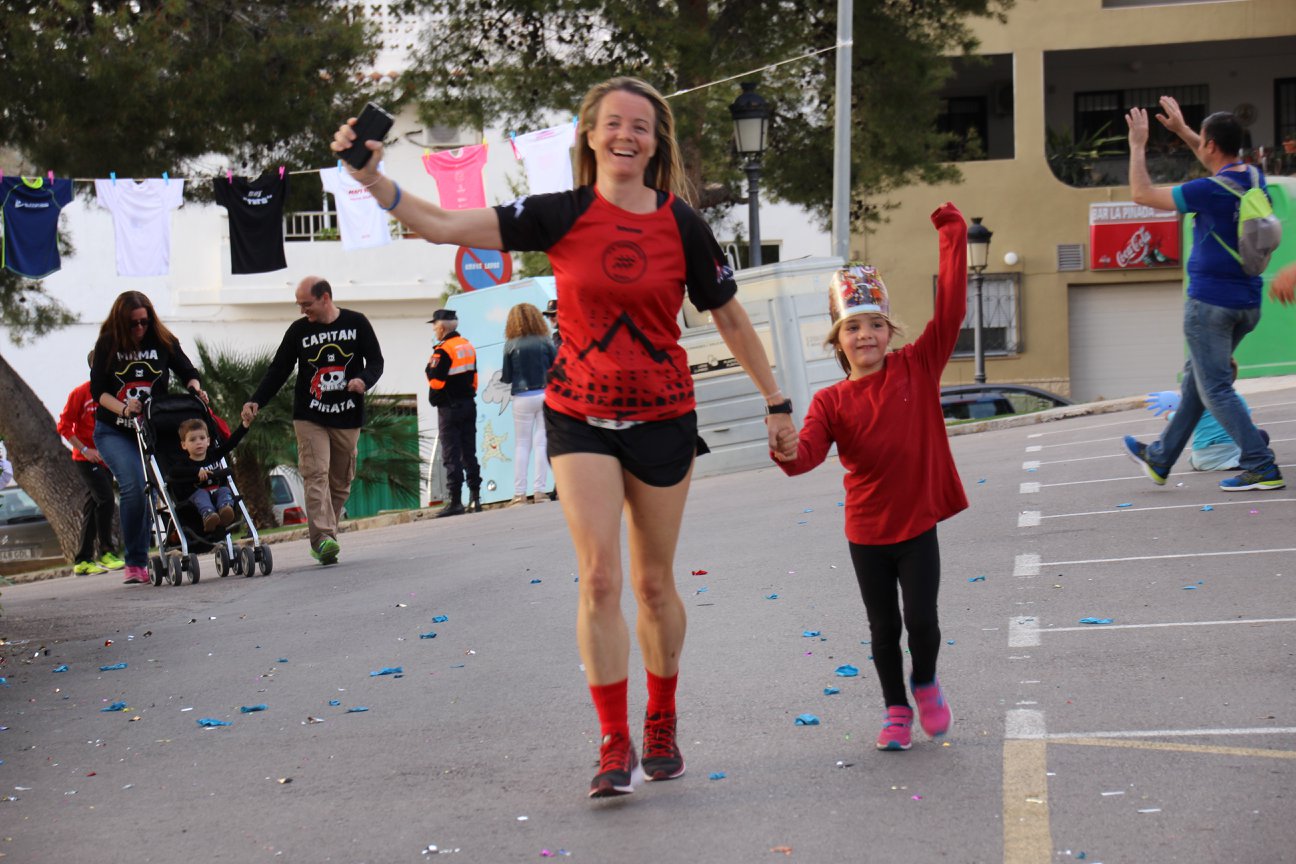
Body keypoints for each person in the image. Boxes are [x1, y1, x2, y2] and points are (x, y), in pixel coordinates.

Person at [333, 75, 797, 798]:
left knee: (652, 584)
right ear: (589, 134)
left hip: (663, 416)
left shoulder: (682, 224)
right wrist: (371, 179)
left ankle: (661, 719)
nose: (626, 135)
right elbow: (444, 225)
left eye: (640, 126)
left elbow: (730, 317)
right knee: (600, 578)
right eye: (613, 123)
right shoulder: (557, 214)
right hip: (580, 415)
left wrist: (777, 401)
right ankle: (614, 741)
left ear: (655, 143)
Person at [774, 205, 968, 751]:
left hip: (917, 526)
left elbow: (952, 309)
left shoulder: (918, 366)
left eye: (875, 324)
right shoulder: (830, 401)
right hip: (866, 533)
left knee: (922, 620)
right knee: (884, 629)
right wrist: (786, 450)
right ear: (838, 341)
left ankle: (925, 681)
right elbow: (806, 456)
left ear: (890, 331)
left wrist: (953, 236)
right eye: (853, 327)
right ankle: (895, 711)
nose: (866, 335)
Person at [1122, 98, 1283, 492]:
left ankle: (1261, 465)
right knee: (1199, 382)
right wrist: (1182, 130)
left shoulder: (1208, 191)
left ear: (1211, 145)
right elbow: (1216, 159)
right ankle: (1160, 458)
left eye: (1202, 141)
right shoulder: (1254, 178)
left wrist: (1138, 145)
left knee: (1213, 388)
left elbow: (1142, 194)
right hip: (1247, 303)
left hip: (1210, 306)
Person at [242, 276, 384, 565]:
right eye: (299, 304)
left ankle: (327, 533)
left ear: (325, 298)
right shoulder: (299, 331)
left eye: (306, 304)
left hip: (347, 414)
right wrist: (257, 399)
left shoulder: (356, 323)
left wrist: (363, 380)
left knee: (341, 481)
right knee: (315, 473)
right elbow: (279, 369)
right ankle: (322, 539)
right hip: (310, 415)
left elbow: (376, 362)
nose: (302, 310)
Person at [91, 291, 205, 585]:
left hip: (154, 428)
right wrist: (124, 408)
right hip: (115, 429)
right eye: (133, 324)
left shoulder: (163, 340)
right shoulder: (108, 344)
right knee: (134, 485)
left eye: (145, 321)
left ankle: (183, 541)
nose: (140, 328)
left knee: (159, 488)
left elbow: (189, 372)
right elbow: (99, 392)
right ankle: (135, 562)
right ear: (121, 322)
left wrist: (195, 389)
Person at [57, 352, 125, 575]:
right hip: (86, 458)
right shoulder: (80, 393)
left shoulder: (117, 393)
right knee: (105, 499)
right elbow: (64, 427)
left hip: (107, 458)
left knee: (94, 504)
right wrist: (86, 450)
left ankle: (83, 560)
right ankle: (106, 551)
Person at [1144, 358, 1270, 471]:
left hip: (1200, 458)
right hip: (1228, 453)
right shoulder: (1237, 401)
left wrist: (1169, 415)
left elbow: (1183, 418)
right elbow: (1249, 428)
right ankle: (1238, 461)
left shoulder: (1196, 401)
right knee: (1261, 435)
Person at [425, 308, 482, 517]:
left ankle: (455, 501)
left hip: (450, 408)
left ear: (441, 327)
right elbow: (474, 380)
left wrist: (428, 370)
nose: (434, 329)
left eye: (434, 325)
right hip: (468, 404)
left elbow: (436, 382)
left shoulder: (442, 351)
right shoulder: (467, 346)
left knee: (451, 454)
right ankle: (475, 497)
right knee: (469, 452)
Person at [500, 302, 557, 505]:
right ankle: (540, 491)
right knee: (542, 443)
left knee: (522, 445)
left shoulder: (510, 344)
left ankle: (519, 494)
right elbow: (556, 366)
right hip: (545, 395)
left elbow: (507, 377)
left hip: (522, 397)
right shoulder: (545, 341)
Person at [170, 416, 250, 533]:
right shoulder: (184, 464)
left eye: (202, 438)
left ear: (208, 441)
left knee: (224, 490)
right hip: (197, 499)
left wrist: (244, 425)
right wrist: (196, 472)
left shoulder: (214, 455)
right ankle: (209, 516)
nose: (198, 442)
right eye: (192, 440)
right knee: (201, 494)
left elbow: (231, 443)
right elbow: (173, 472)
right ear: (184, 445)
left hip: (217, 494)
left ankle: (225, 510)